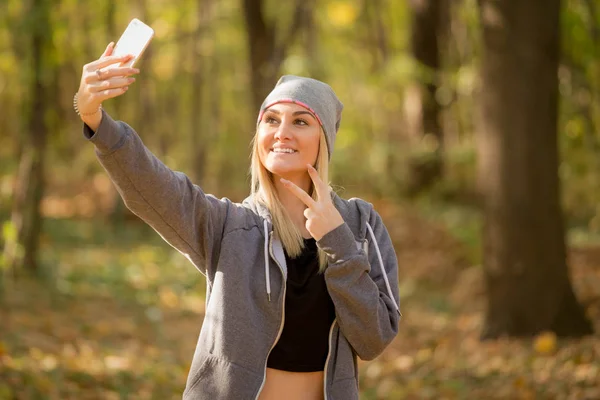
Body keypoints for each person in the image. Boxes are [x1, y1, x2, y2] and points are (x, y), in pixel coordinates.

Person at [75, 42, 401, 400]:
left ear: (324, 140)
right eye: (271, 120)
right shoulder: (228, 225)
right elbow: (154, 187)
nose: (282, 132)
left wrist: (337, 241)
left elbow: (375, 339)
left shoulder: (360, 224)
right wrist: (96, 120)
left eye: (301, 121)